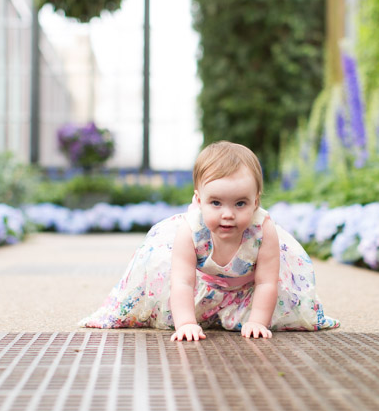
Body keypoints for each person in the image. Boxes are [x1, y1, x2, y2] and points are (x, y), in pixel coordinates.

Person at [80, 141, 339, 340]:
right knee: (175, 308)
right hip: (203, 284)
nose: (228, 214)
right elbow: (182, 281)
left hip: (248, 290)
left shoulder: (263, 231)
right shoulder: (191, 230)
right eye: (216, 203)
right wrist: (186, 324)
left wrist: (258, 321)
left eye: (240, 203)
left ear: (256, 201)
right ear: (200, 200)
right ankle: (197, 314)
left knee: (272, 313)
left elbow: (267, 281)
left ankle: (243, 314)